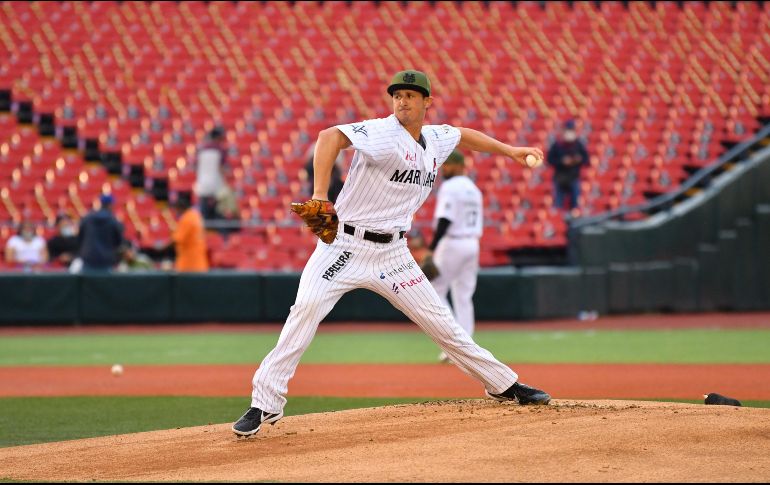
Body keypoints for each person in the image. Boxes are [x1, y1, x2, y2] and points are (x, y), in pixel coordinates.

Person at [232, 69, 550, 438]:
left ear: (427, 102)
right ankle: (265, 403)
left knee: (442, 324)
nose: (402, 100)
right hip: (345, 246)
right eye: (397, 95)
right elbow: (328, 137)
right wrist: (320, 195)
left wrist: (510, 150)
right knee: (303, 312)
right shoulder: (383, 134)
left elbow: (463, 136)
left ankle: (503, 384)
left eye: (411, 96)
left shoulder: (434, 138)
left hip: (394, 254)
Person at [423, 150, 483, 363]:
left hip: (453, 243)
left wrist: (431, 248)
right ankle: (468, 346)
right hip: (472, 243)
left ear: (459, 165)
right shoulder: (474, 189)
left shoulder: (450, 187)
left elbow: (444, 220)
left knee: (435, 290)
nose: (444, 169)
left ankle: (455, 343)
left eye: (448, 165)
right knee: (464, 296)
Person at [546, 119, 589, 211]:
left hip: (573, 178)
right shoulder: (557, 145)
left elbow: (586, 160)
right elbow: (549, 160)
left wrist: (578, 160)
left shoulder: (578, 145)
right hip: (560, 178)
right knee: (558, 205)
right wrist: (562, 161)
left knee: (575, 206)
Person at [77, 193, 124, 272]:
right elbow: (118, 242)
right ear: (110, 205)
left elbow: (80, 238)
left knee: (87, 283)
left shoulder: (87, 218)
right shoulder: (113, 221)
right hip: (106, 262)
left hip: (88, 259)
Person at [194, 126, 228, 221]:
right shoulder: (220, 150)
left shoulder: (201, 149)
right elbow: (221, 168)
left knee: (204, 214)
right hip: (216, 185)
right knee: (217, 214)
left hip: (202, 184)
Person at [170, 197, 209, 272]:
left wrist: (161, 248)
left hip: (189, 263)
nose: (175, 211)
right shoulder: (196, 216)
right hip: (199, 261)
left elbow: (177, 239)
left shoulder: (187, 219)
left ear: (180, 207)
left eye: (176, 209)